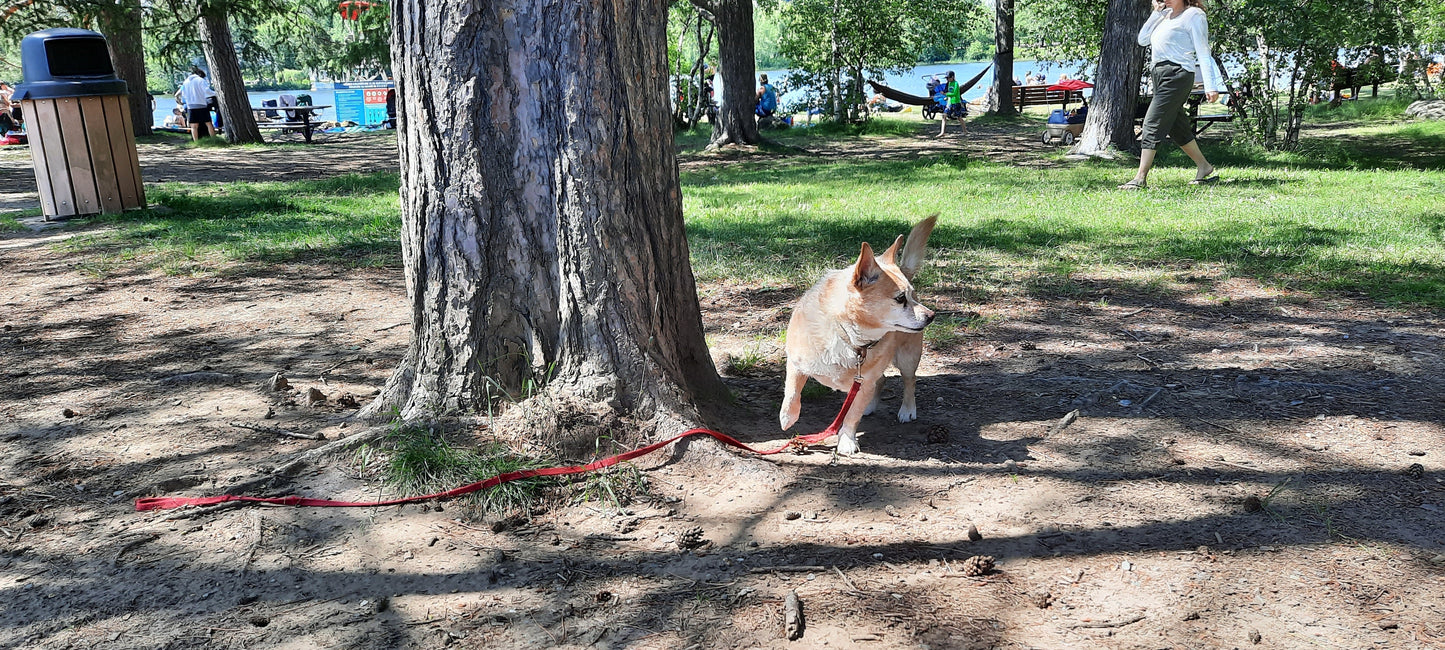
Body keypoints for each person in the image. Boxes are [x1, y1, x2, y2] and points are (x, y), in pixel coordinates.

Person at [1119, 0, 1222, 190]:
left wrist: (1211, 85)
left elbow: (1203, 51)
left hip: (1178, 74)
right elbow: (1142, 40)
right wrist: (1156, 14)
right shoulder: (1164, 15)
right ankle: (1204, 166)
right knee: (1177, 126)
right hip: (1159, 75)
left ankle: (1140, 177)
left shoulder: (1194, 15)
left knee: (1152, 121)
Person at [179, 66, 214, 141]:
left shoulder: (186, 82)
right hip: (201, 105)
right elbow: (207, 92)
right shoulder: (200, 80)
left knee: (194, 126)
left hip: (190, 106)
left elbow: (184, 94)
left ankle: (196, 141)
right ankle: (214, 139)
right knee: (208, 123)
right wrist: (216, 93)